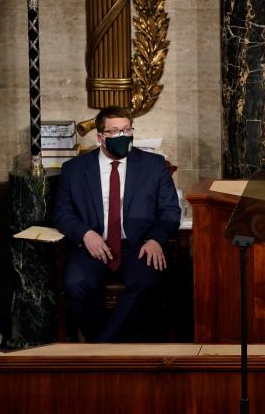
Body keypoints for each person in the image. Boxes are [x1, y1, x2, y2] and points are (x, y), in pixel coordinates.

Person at [54, 106, 181, 342]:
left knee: (147, 281)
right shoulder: (74, 169)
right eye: (114, 132)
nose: (122, 136)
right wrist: (85, 234)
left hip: (138, 245)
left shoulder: (154, 166)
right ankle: (110, 344)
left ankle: (102, 348)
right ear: (101, 137)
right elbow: (62, 213)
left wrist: (156, 239)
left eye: (126, 130)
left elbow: (170, 211)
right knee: (74, 283)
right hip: (93, 245)